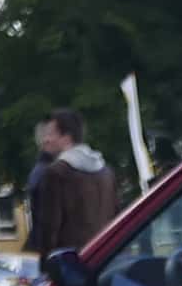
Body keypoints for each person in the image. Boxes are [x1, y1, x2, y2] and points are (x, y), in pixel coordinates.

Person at [22, 110, 118, 265]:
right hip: (104, 261)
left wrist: (44, 264)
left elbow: (49, 230)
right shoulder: (106, 172)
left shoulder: (56, 173)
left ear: (66, 138)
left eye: (50, 134)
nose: (45, 140)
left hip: (70, 268)